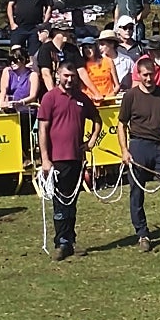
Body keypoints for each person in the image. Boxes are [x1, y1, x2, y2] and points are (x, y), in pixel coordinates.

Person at [118, 56, 160, 253]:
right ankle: (142, 234)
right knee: (136, 193)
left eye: (151, 75)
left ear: (156, 74)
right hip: (138, 146)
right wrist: (124, 150)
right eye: (145, 75)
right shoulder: (130, 96)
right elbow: (121, 124)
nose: (149, 79)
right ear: (139, 75)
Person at [37, 62, 102, 261]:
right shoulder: (50, 98)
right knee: (60, 202)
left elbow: (97, 120)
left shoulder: (82, 98)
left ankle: (70, 239)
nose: (69, 79)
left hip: (76, 159)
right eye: (66, 75)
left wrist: (90, 142)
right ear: (58, 75)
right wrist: (45, 159)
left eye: (73, 76)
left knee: (72, 202)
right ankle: (61, 242)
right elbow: (43, 130)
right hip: (57, 160)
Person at [36, 26, 101, 99]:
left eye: (68, 31)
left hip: (72, 92)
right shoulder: (45, 49)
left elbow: (82, 72)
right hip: (51, 94)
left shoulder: (72, 49)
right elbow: (46, 74)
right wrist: (54, 96)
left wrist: (96, 93)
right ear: (54, 32)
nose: (67, 34)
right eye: (63, 32)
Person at [0, 47, 39, 155]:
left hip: (26, 111)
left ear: (22, 60)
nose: (12, 63)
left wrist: (21, 102)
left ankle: (25, 156)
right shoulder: (7, 72)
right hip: (10, 109)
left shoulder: (33, 75)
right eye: (10, 60)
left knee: (23, 133)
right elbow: (4, 89)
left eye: (15, 60)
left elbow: (33, 95)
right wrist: (2, 104)